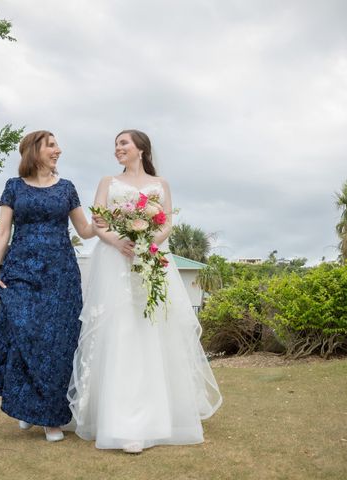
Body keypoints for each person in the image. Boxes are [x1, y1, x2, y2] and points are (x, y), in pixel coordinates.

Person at [67, 129, 222, 453]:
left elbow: (166, 223)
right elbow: (98, 221)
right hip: (115, 263)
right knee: (120, 331)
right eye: (115, 145)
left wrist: (150, 242)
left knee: (153, 331)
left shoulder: (160, 184)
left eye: (123, 143)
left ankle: (155, 420)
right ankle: (120, 422)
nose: (117, 149)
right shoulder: (108, 182)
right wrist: (118, 241)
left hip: (151, 259)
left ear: (140, 148)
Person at [0, 130, 95, 442]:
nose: (59, 149)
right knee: (25, 336)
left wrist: (120, 217)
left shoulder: (67, 188)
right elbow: (3, 232)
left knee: (58, 343)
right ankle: (30, 405)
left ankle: (49, 416)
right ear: (34, 150)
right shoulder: (13, 187)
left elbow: (84, 229)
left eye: (58, 144)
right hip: (21, 271)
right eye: (52, 145)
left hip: (61, 274)